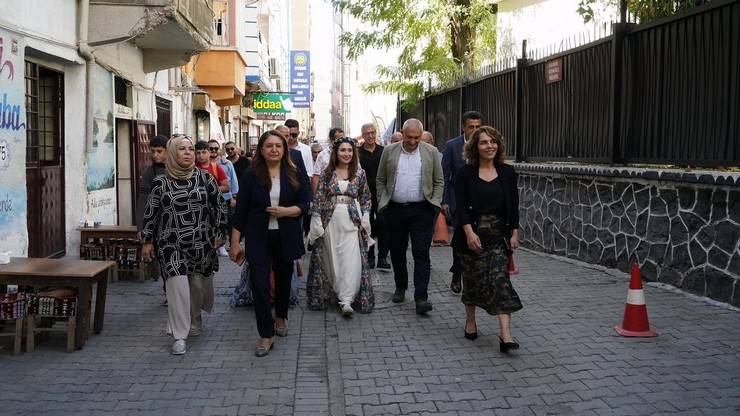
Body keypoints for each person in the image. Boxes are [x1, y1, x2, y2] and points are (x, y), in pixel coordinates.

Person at [141, 136, 227, 355]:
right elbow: (151, 213)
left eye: (191, 149)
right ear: (172, 153)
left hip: (201, 243)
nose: (188, 153)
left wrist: (220, 231)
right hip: (171, 244)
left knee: (198, 287)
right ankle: (179, 334)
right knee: (177, 287)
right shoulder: (161, 182)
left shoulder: (205, 178)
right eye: (182, 149)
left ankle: (195, 317)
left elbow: (219, 206)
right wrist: (147, 241)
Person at [229, 130, 311, 357]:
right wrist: (235, 242)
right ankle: (266, 334)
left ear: (284, 149)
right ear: (261, 150)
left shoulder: (294, 172)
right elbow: (241, 211)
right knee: (260, 284)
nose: (274, 150)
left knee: (284, 282)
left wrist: (287, 211)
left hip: (286, 235)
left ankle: (281, 316)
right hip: (258, 237)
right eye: (269, 146)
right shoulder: (250, 174)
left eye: (278, 146)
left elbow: (306, 203)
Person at [453, 126, 522, 352]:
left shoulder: (507, 172)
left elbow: (513, 205)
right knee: (473, 281)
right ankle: (471, 322)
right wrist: (468, 232)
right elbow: (461, 206)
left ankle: (505, 334)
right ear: (475, 147)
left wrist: (514, 232)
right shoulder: (465, 173)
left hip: (497, 237)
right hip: (471, 236)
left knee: (500, 280)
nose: (489, 146)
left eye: (493, 142)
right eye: (484, 142)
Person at [376, 119, 444, 315]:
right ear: (402, 134)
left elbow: (439, 181)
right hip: (395, 210)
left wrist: (435, 203)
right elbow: (380, 179)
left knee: (421, 252)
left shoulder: (430, 152)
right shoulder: (389, 151)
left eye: (417, 137)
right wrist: (383, 202)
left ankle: (421, 297)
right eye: (409, 137)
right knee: (397, 251)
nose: (413, 141)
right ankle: (400, 286)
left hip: (422, 210)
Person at [306, 137, 374, 316]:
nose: (346, 154)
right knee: (333, 260)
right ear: (336, 153)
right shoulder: (327, 173)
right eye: (343, 150)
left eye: (350, 150)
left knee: (351, 261)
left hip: (352, 222)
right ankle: (337, 293)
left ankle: (347, 300)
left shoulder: (359, 173)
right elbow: (319, 198)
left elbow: (366, 197)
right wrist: (316, 220)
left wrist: (366, 215)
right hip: (331, 221)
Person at [442, 110, 483, 294]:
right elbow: (445, 175)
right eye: (471, 127)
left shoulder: (486, 145)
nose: (474, 130)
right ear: (463, 127)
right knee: (460, 238)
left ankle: (475, 274)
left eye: (478, 127)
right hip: (458, 201)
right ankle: (457, 272)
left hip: (481, 200)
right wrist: (444, 201)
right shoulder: (452, 146)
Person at [358, 123, 390, 269]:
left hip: (382, 194)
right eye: (367, 133)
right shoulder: (357, 153)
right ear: (363, 135)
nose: (370, 136)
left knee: (384, 225)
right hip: (364, 196)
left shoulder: (384, 151)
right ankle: (370, 256)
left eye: (372, 132)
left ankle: (382, 257)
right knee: (367, 225)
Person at [209, 140, 238, 257]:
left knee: (223, 223)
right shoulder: (202, 162)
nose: (213, 151)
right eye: (211, 148)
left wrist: (234, 197)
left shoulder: (226, 163)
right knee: (211, 222)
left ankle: (221, 246)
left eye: (216, 148)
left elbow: (233, 180)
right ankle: (212, 245)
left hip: (225, 197)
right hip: (208, 199)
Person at [312, 127, 345, 194]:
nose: (342, 141)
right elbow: (316, 176)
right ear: (331, 140)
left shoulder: (349, 155)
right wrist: (314, 197)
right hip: (327, 194)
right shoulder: (322, 155)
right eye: (339, 138)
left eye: (343, 138)